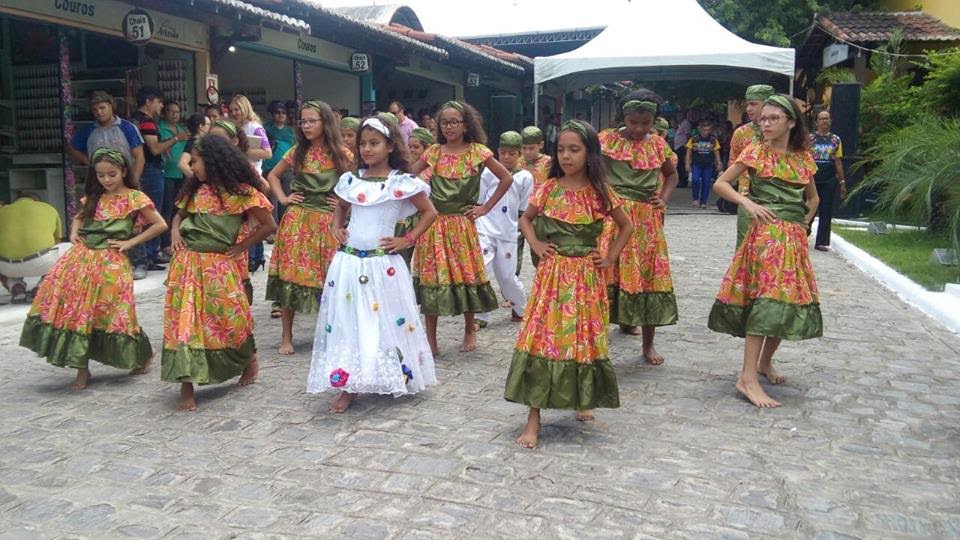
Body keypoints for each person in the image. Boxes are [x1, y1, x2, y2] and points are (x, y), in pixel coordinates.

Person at [505, 120, 633, 449]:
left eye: (574, 149)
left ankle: (583, 398)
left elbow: (626, 226)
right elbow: (525, 219)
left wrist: (609, 259)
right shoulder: (547, 188)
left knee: (583, 336)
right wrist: (535, 244)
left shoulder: (600, 192)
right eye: (561, 149)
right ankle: (533, 418)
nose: (566, 156)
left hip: (588, 278)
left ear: (590, 152)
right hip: (552, 277)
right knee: (544, 338)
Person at [307, 115, 439, 413]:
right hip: (349, 262)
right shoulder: (351, 181)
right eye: (363, 143)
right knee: (349, 321)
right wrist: (336, 228)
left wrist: (407, 239)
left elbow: (429, 213)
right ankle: (349, 383)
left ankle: (391, 373)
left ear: (391, 145)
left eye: (374, 143)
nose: (367, 149)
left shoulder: (401, 183)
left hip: (383, 265)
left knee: (383, 321)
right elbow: (341, 206)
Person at [708, 94, 822, 409]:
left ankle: (764, 362)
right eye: (764, 119)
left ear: (791, 122)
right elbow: (721, 184)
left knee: (786, 304)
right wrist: (748, 202)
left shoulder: (803, 158)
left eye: (773, 118)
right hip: (765, 239)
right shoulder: (756, 152)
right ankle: (747, 377)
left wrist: (804, 223)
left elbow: (813, 199)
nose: (766, 123)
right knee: (765, 304)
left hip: (793, 239)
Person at [20, 148, 166, 389]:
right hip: (81, 260)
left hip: (112, 263)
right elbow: (79, 217)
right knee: (78, 313)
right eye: (100, 175)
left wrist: (130, 242)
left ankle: (141, 355)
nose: (106, 180)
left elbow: (159, 224)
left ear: (124, 171)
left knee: (116, 313)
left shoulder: (135, 198)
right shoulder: (96, 197)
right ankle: (82, 369)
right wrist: (75, 232)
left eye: (111, 174)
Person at [163, 135, 277, 411]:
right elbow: (178, 214)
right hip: (187, 264)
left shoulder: (242, 194)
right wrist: (175, 230)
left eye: (196, 162)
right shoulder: (194, 190)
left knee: (228, 317)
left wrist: (241, 248)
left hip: (218, 264)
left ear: (213, 162)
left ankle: (248, 359)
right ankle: (186, 385)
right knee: (185, 323)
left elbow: (268, 225)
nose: (192, 167)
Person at [408, 100, 513, 355]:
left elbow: (506, 178)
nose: (449, 127)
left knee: (467, 276)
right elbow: (408, 176)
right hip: (434, 225)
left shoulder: (478, 152)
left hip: (463, 226)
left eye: (454, 121)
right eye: (444, 122)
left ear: (466, 124)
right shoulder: (433, 152)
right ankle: (431, 340)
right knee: (432, 280)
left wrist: (485, 208)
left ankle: (469, 329)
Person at [598, 90, 680, 366]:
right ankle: (599, 340)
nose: (639, 129)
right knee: (608, 275)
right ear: (623, 117)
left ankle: (648, 344)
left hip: (646, 222)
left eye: (645, 123)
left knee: (647, 277)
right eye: (633, 122)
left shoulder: (657, 144)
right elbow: (591, 171)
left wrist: (663, 199)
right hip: (614, 217)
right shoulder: (606, 140)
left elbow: (671, 175)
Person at [266, 101, 353, 355]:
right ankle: (286, 336)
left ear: (325, 122)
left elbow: (355, 185)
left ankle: (332, 333)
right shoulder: (296, 152)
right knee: (290, 276)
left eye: (311, 120)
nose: (306, 126)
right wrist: (283, 199)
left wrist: (342, 203)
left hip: (328, 221)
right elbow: (272, 175)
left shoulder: (342, 154)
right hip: (297, 221)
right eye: (303, 121)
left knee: (330, 277)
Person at [475, 131, 534, 328]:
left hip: (509, 232)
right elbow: (481, 199)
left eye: (512, 153)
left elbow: (524, 207)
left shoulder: (525, 177)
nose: (507, 157)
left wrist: (520, 227)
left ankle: (521, 309)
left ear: (520, 155)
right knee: (482, 270)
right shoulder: (488, 172)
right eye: (503, 152)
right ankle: (480, 316)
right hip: (485, 227)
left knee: (507, 277)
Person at [131, 86, 188, 270]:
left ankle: (149, 254)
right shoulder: (146, 122)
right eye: (159, 102)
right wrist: (176, 139)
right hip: (150, 170)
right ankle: (149, 254)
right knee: (152, 213)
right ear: (148, 102)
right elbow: (155, 149)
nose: (161, 106)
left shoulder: (132, 119)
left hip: (143, 170)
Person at [0, 194, 69, 303]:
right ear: (37, 201)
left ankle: (15, 286)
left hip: (5, 267)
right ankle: (43, 286)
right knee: (69, 248)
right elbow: (57, 241)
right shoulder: (49, 209)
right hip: (41, 262)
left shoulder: (3, 211)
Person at [729, 84, 775, 243]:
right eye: (747, 104)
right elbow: (732, 164)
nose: (748, 108)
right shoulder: (741, 133)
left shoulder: (783, 133)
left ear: (768, 104)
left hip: (775, 199)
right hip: (746, 197)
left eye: (754, 104)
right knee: (744, 245)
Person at [67, 91, 145, 178]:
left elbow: (139, 157)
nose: (99, 112)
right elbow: (71, 148)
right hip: (98, 180)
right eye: (95, 110)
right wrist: (87, 161)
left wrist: (134, 179)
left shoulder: (127, 128)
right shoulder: (88, 130)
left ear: (111, 106)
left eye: (102, 108)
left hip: (124, 178)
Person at [395, 127, 435, 268]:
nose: (411, 150)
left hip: (426, 222)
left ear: (428, 148)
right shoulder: (404, 167)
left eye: (416, 147)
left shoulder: (434, 170)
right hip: (405, 222)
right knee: (400, 261)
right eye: (409, 146)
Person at [810, 110, 847, 251]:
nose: (824, 121)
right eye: (821, 119)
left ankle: (822, 242)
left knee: (826, 210)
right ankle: (802, 234)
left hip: (829, 178)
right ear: (817, 121)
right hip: (812, 177)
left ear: (830, 121)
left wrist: (842, 182)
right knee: (809, 208)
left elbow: (838, 162)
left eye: (827, 118)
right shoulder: (810, 138)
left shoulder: (836, 140)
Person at [158, 100, 188, 258]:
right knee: (166, 209)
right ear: (165, 113)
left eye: (177, 112)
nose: (175, 114)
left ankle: (178, 241)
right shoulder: (160, 128)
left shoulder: (182, 129)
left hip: (181, 174)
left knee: (179, 209)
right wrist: (176, 138)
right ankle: (165, 243)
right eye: (171, 111)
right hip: (167, 173)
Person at [229, 95, 273, 175]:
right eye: (231, 111)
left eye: (236, 110)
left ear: (245, 109)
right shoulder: (235, 127)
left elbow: (268, 153)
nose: (233, 113)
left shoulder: (255, 127)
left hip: (253, 174)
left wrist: (241, 150)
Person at [685, 119, 723, 208]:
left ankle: (703, 202)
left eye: (708, 130)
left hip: (708, 164)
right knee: (695, 180)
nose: (706, 132)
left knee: (706, 183)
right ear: (700, 129)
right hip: (696, 163)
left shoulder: (713, 139)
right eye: (704, 130)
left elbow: (716, 151)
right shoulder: (694, 139)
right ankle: (695, 199)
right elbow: (688, 151)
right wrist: (687, 163)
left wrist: (719, 162)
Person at [176, 113, 211, 178]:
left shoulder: (196, 141)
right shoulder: (194, 142)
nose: (210, 127)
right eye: (208, 124)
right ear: (201, 126)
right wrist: (196, 179)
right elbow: (182, 164)